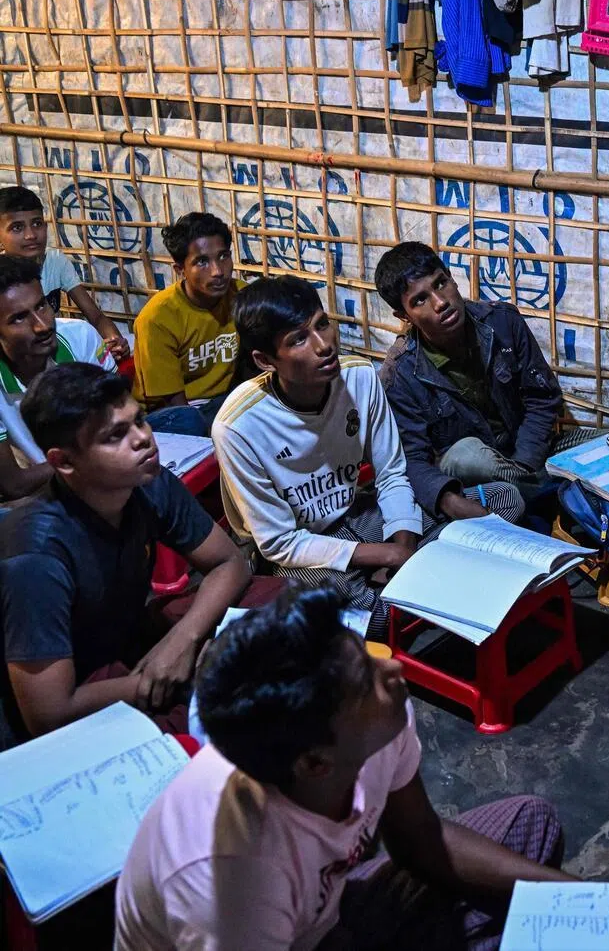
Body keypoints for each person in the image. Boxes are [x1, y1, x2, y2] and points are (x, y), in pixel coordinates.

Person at [115, 584, 573, 951]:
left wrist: (584, 898)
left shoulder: (373, 719)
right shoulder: (227, 880)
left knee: (530, 826)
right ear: (315, 762)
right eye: (365, 681)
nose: (391, 668)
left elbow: (420, 840)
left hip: (331, 922)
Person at [0, 363, 278, 750]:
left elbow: (228, 562)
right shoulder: (36, 555)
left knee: (276, 600)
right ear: (63, 462)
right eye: (116, 435)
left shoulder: (148, 482)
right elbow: (48, 713)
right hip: (75, 689)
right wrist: (166, 676)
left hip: (129, 645)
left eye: (140, 421)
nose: (143, 439)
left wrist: (183, 640)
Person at [213, 275, 422, 639]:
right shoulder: (238, 426)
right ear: (265, 360)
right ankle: (404, 603)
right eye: (299, 339)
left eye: (322, 324)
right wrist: (387, 557)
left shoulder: (360, 378)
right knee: (322, 599)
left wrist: (402, 547)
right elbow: (280, 543)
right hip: (299, 552)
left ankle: (396, 600)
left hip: (358, 515)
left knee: (500, 500)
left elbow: (391, 474)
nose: (324, 345)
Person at [377, 242, 584, 528]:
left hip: (531, 457)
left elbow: (542, 398)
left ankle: (541, 495)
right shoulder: (401, 375)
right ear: (404, 316)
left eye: (441, 283)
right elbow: (412, 458)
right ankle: (558, 495)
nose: (440, 302)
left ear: (451, 277)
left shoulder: (502, 322)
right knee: (468, 455)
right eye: (420, 300)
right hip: (473, 475)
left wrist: (523, 466)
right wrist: (448, 499)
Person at [0, 255, 117, 500]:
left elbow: (117, 420)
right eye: (19, 318)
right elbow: (13, 485)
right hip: (40, 492)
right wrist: (86, 459)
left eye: (42, 305)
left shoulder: (80, 337)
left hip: (104, 466)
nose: (42, 325)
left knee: (183, 420)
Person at [132, 211, 245, 437]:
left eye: (223, 256)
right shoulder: (157, 319)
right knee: (191, 421)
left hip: (226, 402)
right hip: (174, 413)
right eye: (202, 262)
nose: (218, 271)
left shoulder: (242, 295)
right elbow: (174, 408)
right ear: (180, 270)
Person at [0, 184, 129, 360]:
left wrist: (116, 342)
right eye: (17, 228)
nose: (31, 235)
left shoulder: (55, 261)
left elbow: (96, 316)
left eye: (37, 224)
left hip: (51, 351)